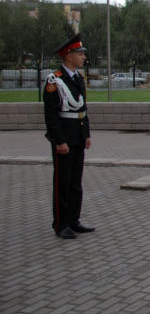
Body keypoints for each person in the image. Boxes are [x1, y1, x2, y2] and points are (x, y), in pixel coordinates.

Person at [43, 33, 94, 239]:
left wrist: (86, 134)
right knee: (62, 182)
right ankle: (61, 223)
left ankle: (74, 220)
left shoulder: (78, 78)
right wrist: (59, 140)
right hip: (64, 138)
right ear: (69, 56)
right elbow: (51, 116)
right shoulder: (55, 80)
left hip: (78, 136)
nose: (84, 57)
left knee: (75, 182)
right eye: (80, 54)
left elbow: (82, 109)